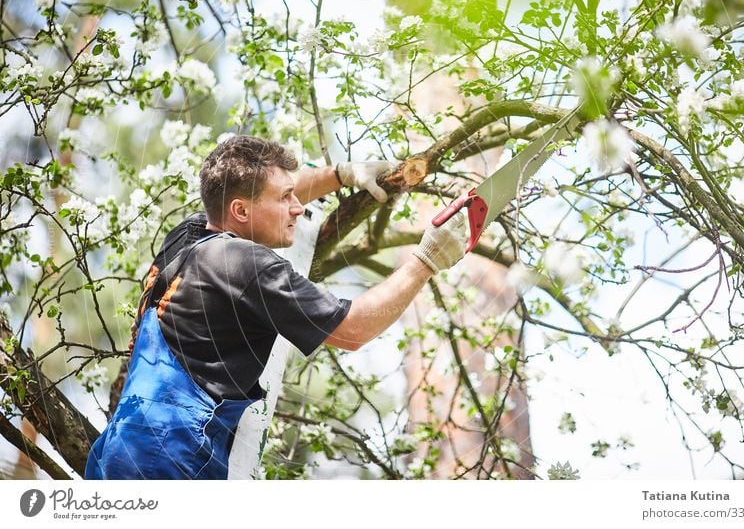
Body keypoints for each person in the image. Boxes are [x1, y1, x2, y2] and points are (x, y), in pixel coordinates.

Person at [85, 135, 467, 480]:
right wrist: (426, 260)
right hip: (170, 464)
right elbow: (352, 329)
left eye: (293, 194)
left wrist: (342, 174)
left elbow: (247, 193)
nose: (298, 208)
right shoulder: (245, 263)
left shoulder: (188, 238)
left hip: (116, 454)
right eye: (285, 199)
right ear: (242, 212)